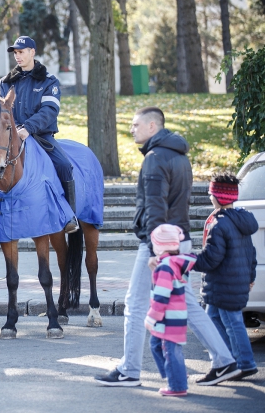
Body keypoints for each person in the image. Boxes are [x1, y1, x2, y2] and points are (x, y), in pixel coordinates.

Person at [95, 106, 240, 387]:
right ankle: (225, 360)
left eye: (136, 125)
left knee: (134, 305)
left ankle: (130, 370)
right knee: (187, 303)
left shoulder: (154, 158)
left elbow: (155, 206)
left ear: (153, 127)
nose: (132, 129)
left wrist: (154, 252)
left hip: (160, 244)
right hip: (180, 240)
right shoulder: (180, 157)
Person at [0, 36, 77, 233]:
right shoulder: (6, 82)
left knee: (64, 166)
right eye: (15, 53)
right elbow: (1, 111)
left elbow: (49, 111)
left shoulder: (49, 82)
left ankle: (69, 215)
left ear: (32, 52)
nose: (18, 56)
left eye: (21, 52)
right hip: (9, 137)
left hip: (40, 136)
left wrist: (28, 128)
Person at [194, 173, 259, 380]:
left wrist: (189, 261)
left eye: (211, 192)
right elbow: (251, 253)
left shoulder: (219, 224)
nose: (208, 195)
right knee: (212, 319)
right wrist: (250, 276)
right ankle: (227, 360)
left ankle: (244, 363)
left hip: (223, 283)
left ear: (217, 197)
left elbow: (212, 258)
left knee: (232, 323)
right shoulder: (240, 220)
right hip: (233, 281)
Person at [146, 224, 197, 397]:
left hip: (167, 317)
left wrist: (151, 318)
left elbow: (161, 297)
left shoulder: (165, 267)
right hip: (175, 316)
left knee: (170, 350)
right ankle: (177, 374)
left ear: (160, 245)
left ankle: (177, 384)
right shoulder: (174, 263)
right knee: (156, 345)